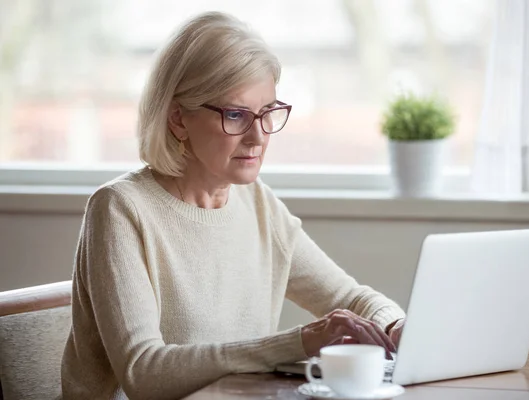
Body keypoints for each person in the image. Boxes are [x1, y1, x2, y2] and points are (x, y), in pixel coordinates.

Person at [60, 11, 406, 400]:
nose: (258, 137)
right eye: (236, 114)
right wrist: (299, 342)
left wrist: (394, 326)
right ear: (178, 119)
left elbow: (351, 300)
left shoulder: (258, 204)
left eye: (268, 113)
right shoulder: (120, 210)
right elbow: (144, 373)